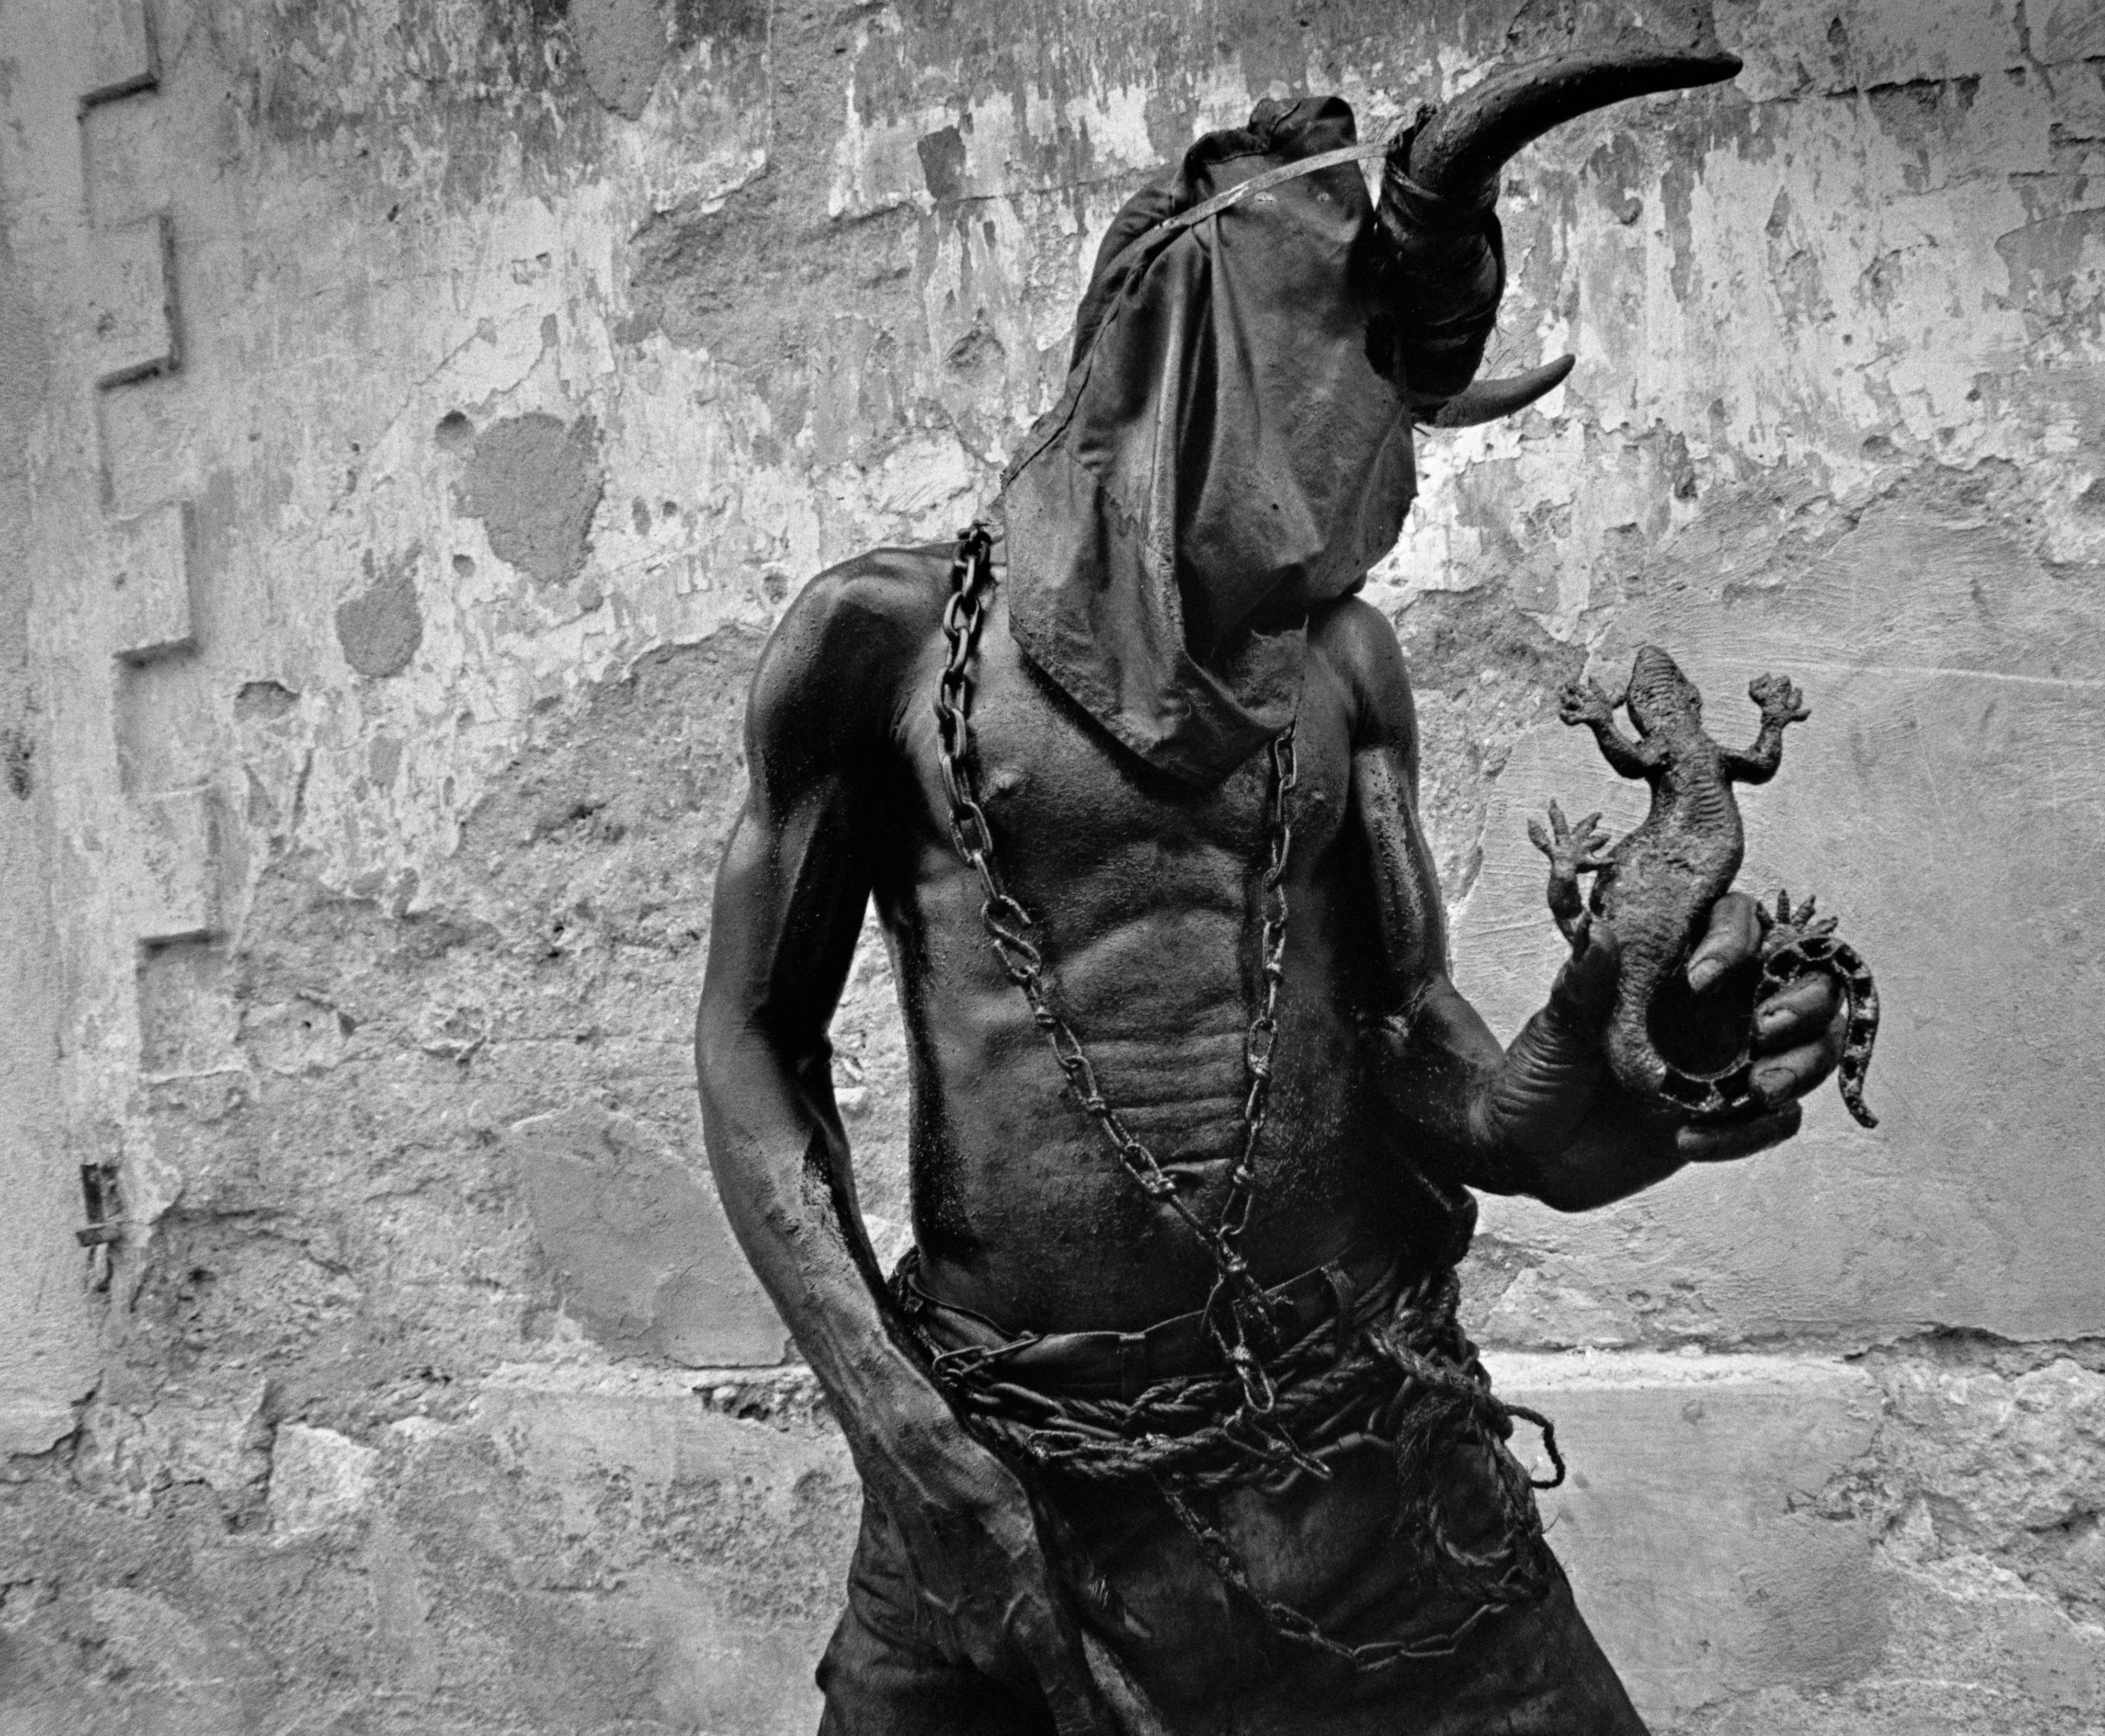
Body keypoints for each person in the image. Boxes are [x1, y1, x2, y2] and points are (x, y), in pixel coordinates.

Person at [696, 42, 1850, 1736]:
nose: (1380, 482)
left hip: (1373, 1461)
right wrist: (909, 1441)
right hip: (1010, 1490)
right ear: (1210, 373)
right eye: (1358, 407)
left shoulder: (1345, 668)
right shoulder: (879, 646)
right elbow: (751, 1041)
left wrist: (1609, 1083)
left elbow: (1411, 1034)